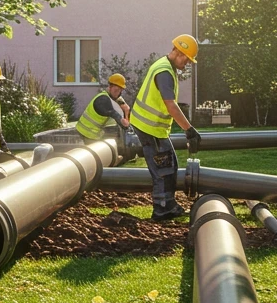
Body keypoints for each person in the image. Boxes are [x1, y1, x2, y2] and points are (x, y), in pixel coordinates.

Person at [129, 36, 203, 220]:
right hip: (149, 127)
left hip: (151, 127)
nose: (186, 62)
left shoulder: (165, 66)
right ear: (177, 51)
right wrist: (189, 129)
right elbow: (171, 105)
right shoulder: (164, 72)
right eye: (185, 58)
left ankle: (168, 205)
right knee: (163, 168)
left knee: (169, 164)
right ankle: (162, 208)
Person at [75, 72, 131, 142]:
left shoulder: (114, 97)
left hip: (94, 134)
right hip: (87, 134)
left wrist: (126, 111)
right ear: (110, 87)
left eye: (120, 91)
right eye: (116, 90)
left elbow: (126, 108)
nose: (118, 93)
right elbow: (121, 121)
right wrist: (126, 120)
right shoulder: (103, 100)